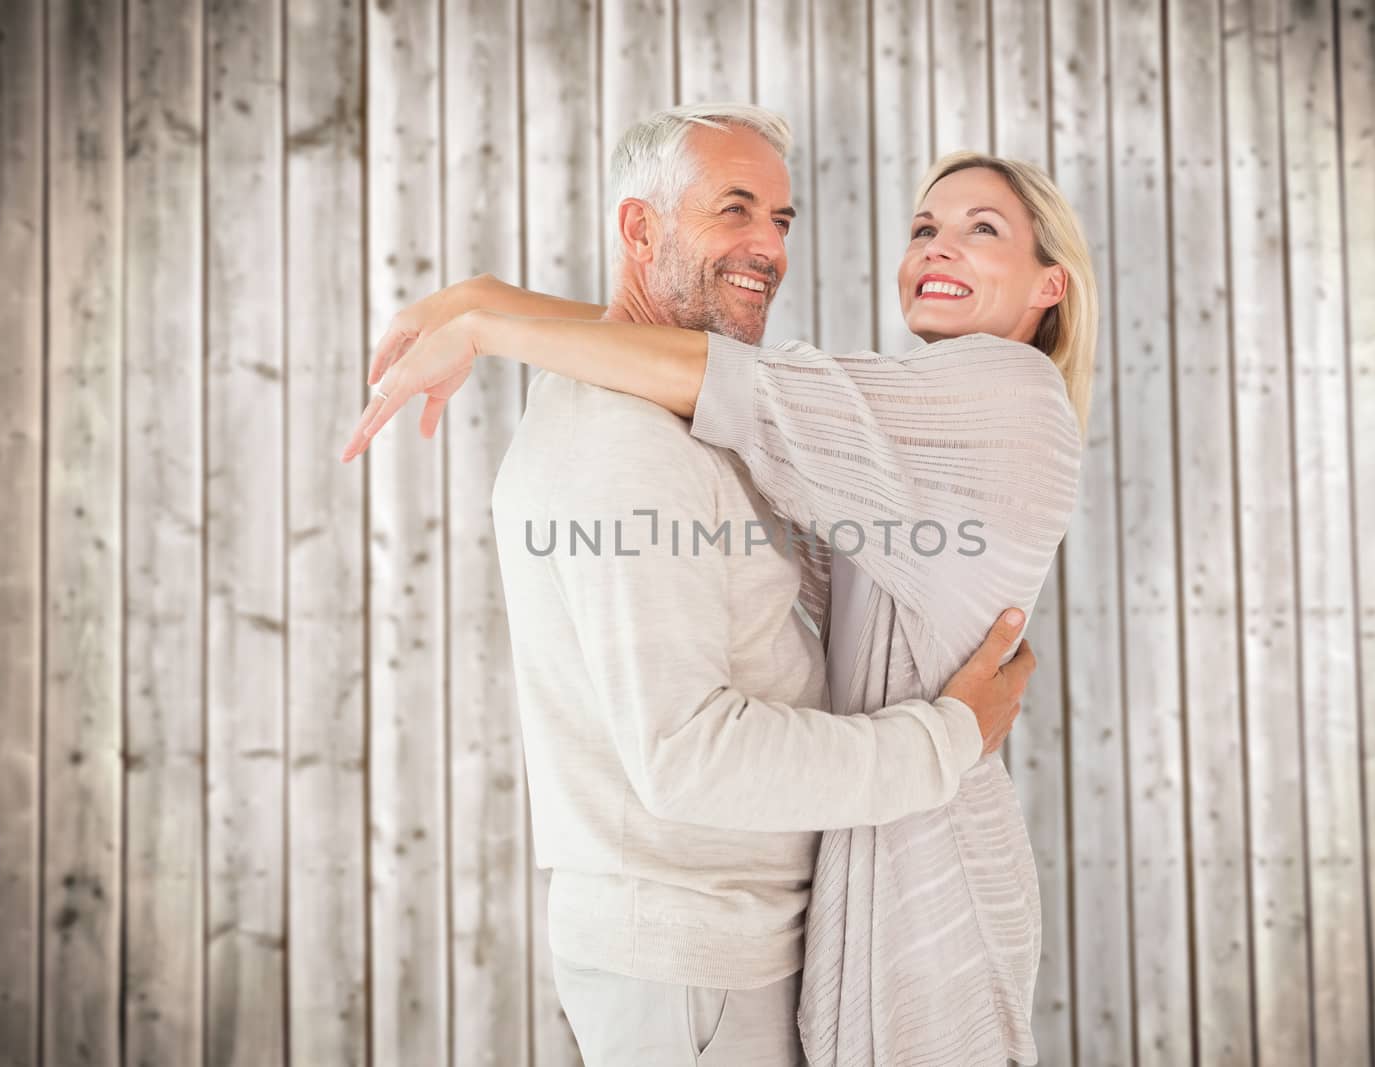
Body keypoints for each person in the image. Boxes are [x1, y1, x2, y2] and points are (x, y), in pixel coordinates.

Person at [344, 105, 1052, 1065]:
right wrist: (949, 737)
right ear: (640, 230)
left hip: (750, 941)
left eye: (783, 219)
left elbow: (746, 380)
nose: (770, 245)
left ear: (1053, 284)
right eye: (735, 209)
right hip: (699, 965)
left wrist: (490, 311)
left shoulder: (981, 397)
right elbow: (687, 755)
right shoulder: (627, 440)